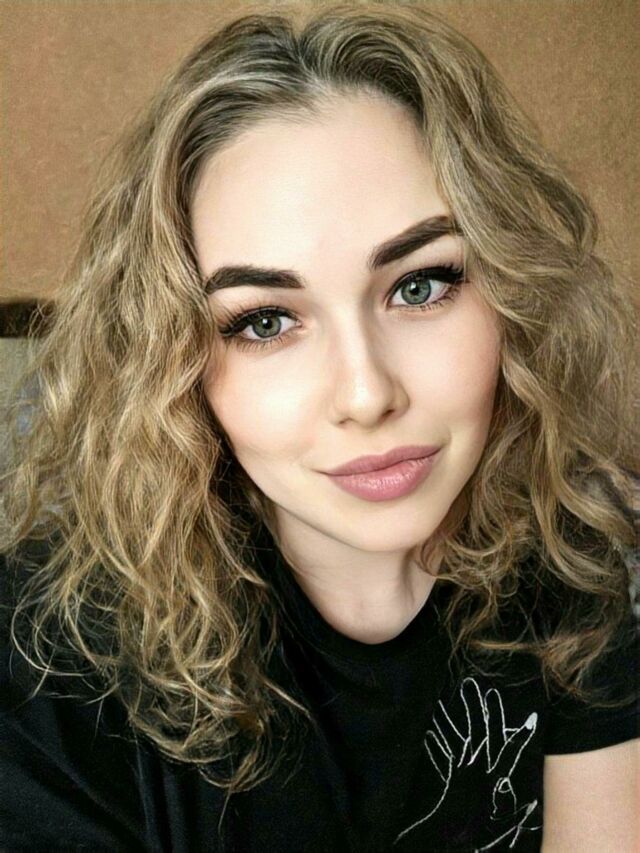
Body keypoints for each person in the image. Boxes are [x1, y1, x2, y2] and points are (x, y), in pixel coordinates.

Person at [1, 2, 638, 851]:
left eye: (420, 285)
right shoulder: (44, 667)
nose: (366, 394)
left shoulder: (572, 550)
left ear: (513, 289)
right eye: (265, 321)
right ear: (168, 362)